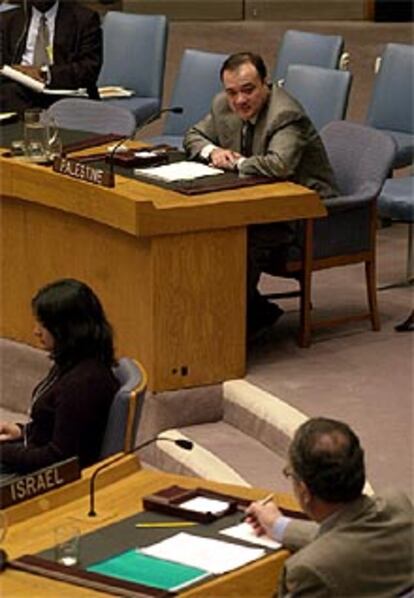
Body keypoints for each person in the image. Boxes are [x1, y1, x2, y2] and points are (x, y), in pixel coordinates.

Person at [184, 52, 338, 339]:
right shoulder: (223, 105)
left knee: (236, 239)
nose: (240, 100)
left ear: (265, 83)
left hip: (303, 215)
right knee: (205, 229)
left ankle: (238, 325)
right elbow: (193, 135)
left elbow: (280, 164)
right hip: (259, 203)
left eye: (248, 90)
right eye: (232, 92)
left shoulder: (285, 114)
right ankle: (249, 312)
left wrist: (235, 162)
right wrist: (212, 151)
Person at [246, 417, 414, 597]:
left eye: (290, 474)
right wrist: (277, 524)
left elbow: (338, 547)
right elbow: (347, 537)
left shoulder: (310, 571)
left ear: (304, 491)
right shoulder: (398, 506)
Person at [0, 279, 119, 476]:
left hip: (47, 480)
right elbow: (58, 429)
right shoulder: (74, 362)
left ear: (69, 328)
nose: (36, 331)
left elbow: (59, 460)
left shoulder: (83, 385)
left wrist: (3, 452)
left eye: (44, 325)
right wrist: (22, 432)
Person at [0, 0, 102, 113]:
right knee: (10, 94)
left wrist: (43, 73)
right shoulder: (7, 20)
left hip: (62, 90)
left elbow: (89, 69)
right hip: (18, 90)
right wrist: (14, 71)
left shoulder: (84, 19)